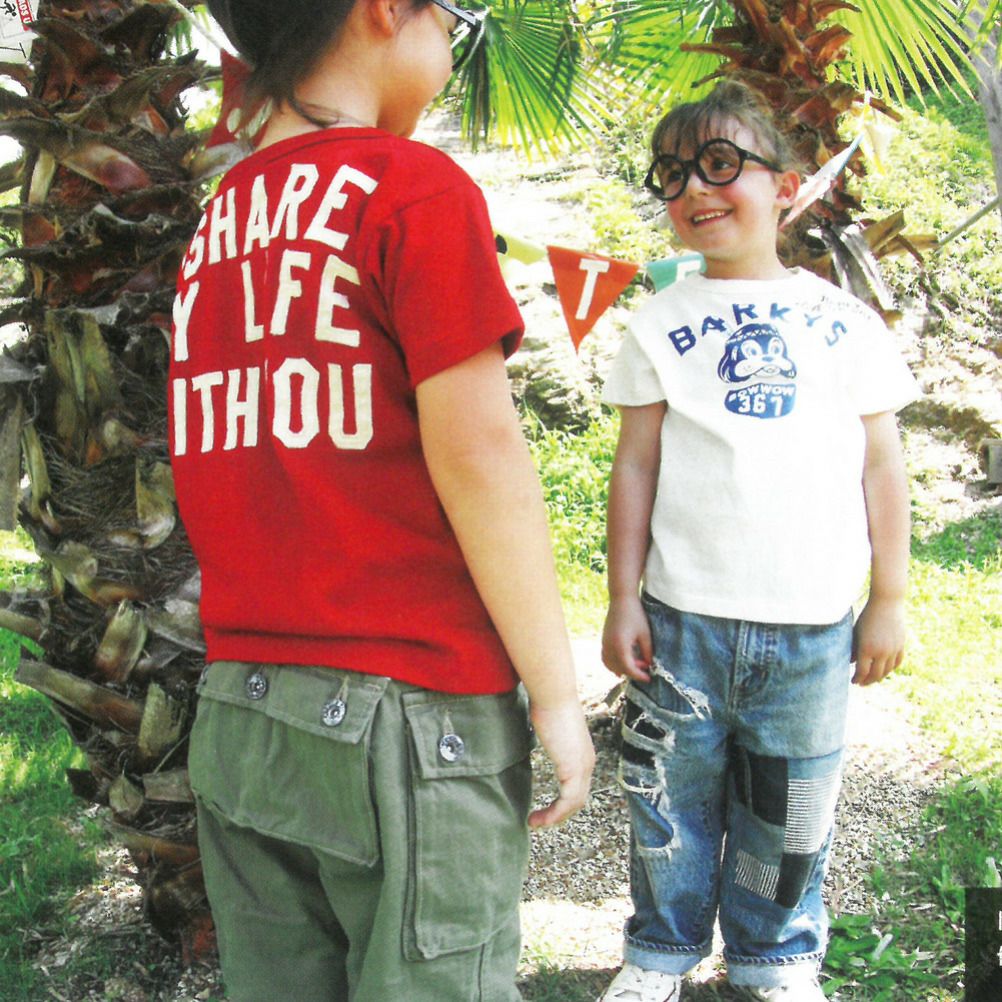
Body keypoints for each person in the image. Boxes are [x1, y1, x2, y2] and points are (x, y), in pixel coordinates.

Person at [168, 2, 595, 1000]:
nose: (455, 37)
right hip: (408, 714)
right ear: (385, 10)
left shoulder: (217, 226)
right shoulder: (412, 188)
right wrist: (558, 694)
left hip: (238, 711)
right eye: (456, 15)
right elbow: (481, 458)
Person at [598, 81, 918, 1002]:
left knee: (789, 809)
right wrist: (622, 598)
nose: (695, 188)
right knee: (666, 796)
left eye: (720, 164)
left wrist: (890, 599)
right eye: (672, 174)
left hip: (813, 631)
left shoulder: (848, 324)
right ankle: (659, 951)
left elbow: (882, 469)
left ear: (785, 186)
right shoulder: (657, 321)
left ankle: (773, 958)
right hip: (681, 623)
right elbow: (636, 468)